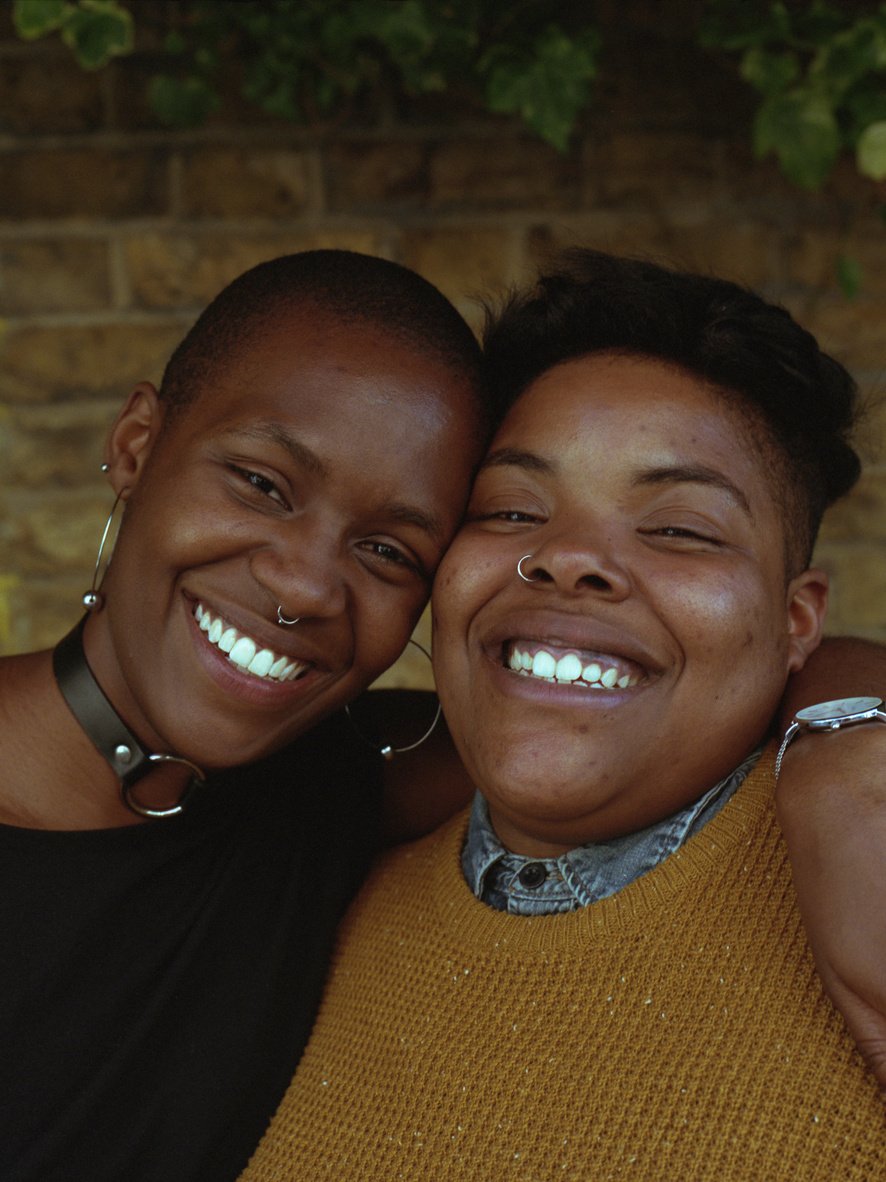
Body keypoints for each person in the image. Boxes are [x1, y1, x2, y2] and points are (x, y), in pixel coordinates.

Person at [238, 251, 885, 1181]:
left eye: (678, 529)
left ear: (797, 622)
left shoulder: (862, 891)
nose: (570, 556)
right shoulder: (313, 906)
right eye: (509, 509)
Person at [0, 250, 491, 1181]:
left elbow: (670, 717)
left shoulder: (334, 787)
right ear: (138, 445)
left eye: (388, 549)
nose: (305, 586)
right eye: (262, 485)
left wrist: (849, 726)